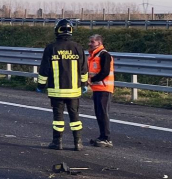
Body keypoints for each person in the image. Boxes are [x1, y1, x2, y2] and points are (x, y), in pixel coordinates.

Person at [37, 19, 88, 151]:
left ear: (57, 30)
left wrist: (40, 86)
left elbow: (44, 70)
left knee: (58, 118)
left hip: (57, 91)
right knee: (75, 117)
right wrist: (83, 84)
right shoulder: (78, 48)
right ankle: (78, 143)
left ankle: (57, 142)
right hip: (74, 91)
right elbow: (84, 69)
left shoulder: (51, 48)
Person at [87, 34, 115, 148]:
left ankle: (106, 138)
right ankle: (102, 136)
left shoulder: (104, 55)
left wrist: (92, 79)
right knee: (99, 113)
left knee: (103, 114)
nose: (90, 43)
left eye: (92, 42)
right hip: (98, 88)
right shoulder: (94, 55)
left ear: (99, 43)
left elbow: (105, 72)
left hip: (104, 88)